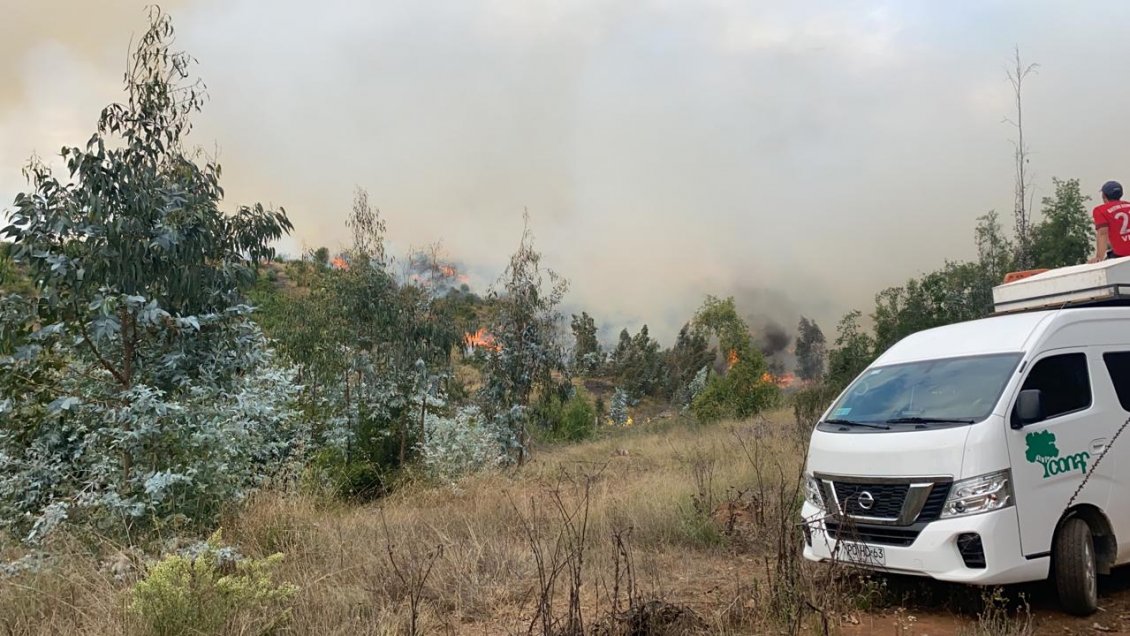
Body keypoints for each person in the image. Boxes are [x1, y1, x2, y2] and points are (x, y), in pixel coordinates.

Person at [1090, 180, 1130, 263]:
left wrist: (1099, 257)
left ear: (1104, 195)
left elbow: (1102, 233)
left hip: (1121, 255)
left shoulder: (1100, 210)